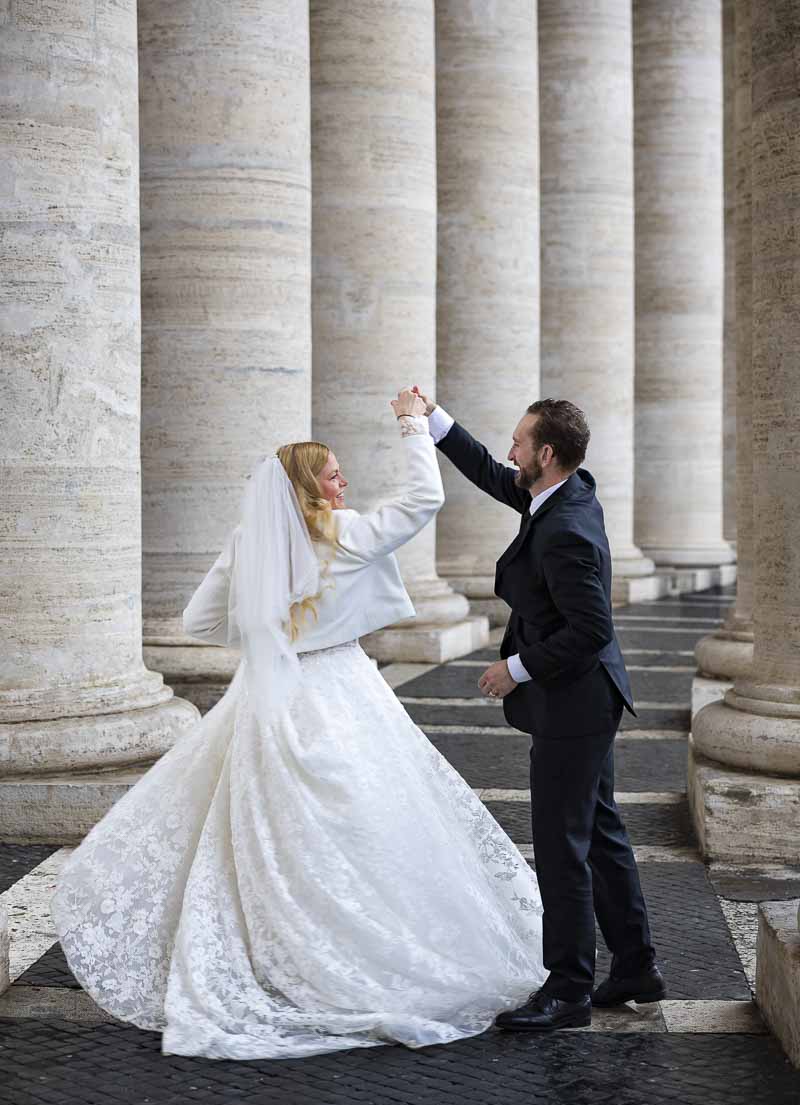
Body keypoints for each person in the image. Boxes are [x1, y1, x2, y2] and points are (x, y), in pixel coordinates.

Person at [51, 388, 545, 1060]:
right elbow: (423, 500)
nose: (346, 482)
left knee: (269, 830)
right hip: (343, 686)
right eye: (336, 474)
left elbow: (198, 621)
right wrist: (410, 426)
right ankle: (352, 945)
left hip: (271, 692)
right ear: (311, 486)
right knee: (365, 820)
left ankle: (278, 947)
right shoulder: (346, 535)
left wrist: (265, 631)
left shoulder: (249, 543)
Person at [418, 390, 664, 1032]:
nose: (510, 452)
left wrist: (513, 669)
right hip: (589, 698)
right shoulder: (567, 491)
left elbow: (590, 628)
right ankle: (635, 966)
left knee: (562, 846)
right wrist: (434, 418)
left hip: (575, 703)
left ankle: (568, 990)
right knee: (600, 832)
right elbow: (498, 477)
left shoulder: (565, 529)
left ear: (546, 454)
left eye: (520, 443)